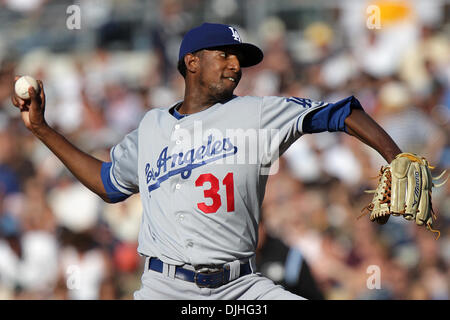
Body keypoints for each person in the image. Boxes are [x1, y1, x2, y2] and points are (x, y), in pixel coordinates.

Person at [11, 22, 403, 300]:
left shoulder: (258, 113)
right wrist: (43, 130)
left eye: (239, 58)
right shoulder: (150, 128)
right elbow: (107, 184)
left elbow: (339, 112)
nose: (235, 65)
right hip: (165, 288)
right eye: (224, 55)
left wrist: (395, 157)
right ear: (192, 62)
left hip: (241, 287)